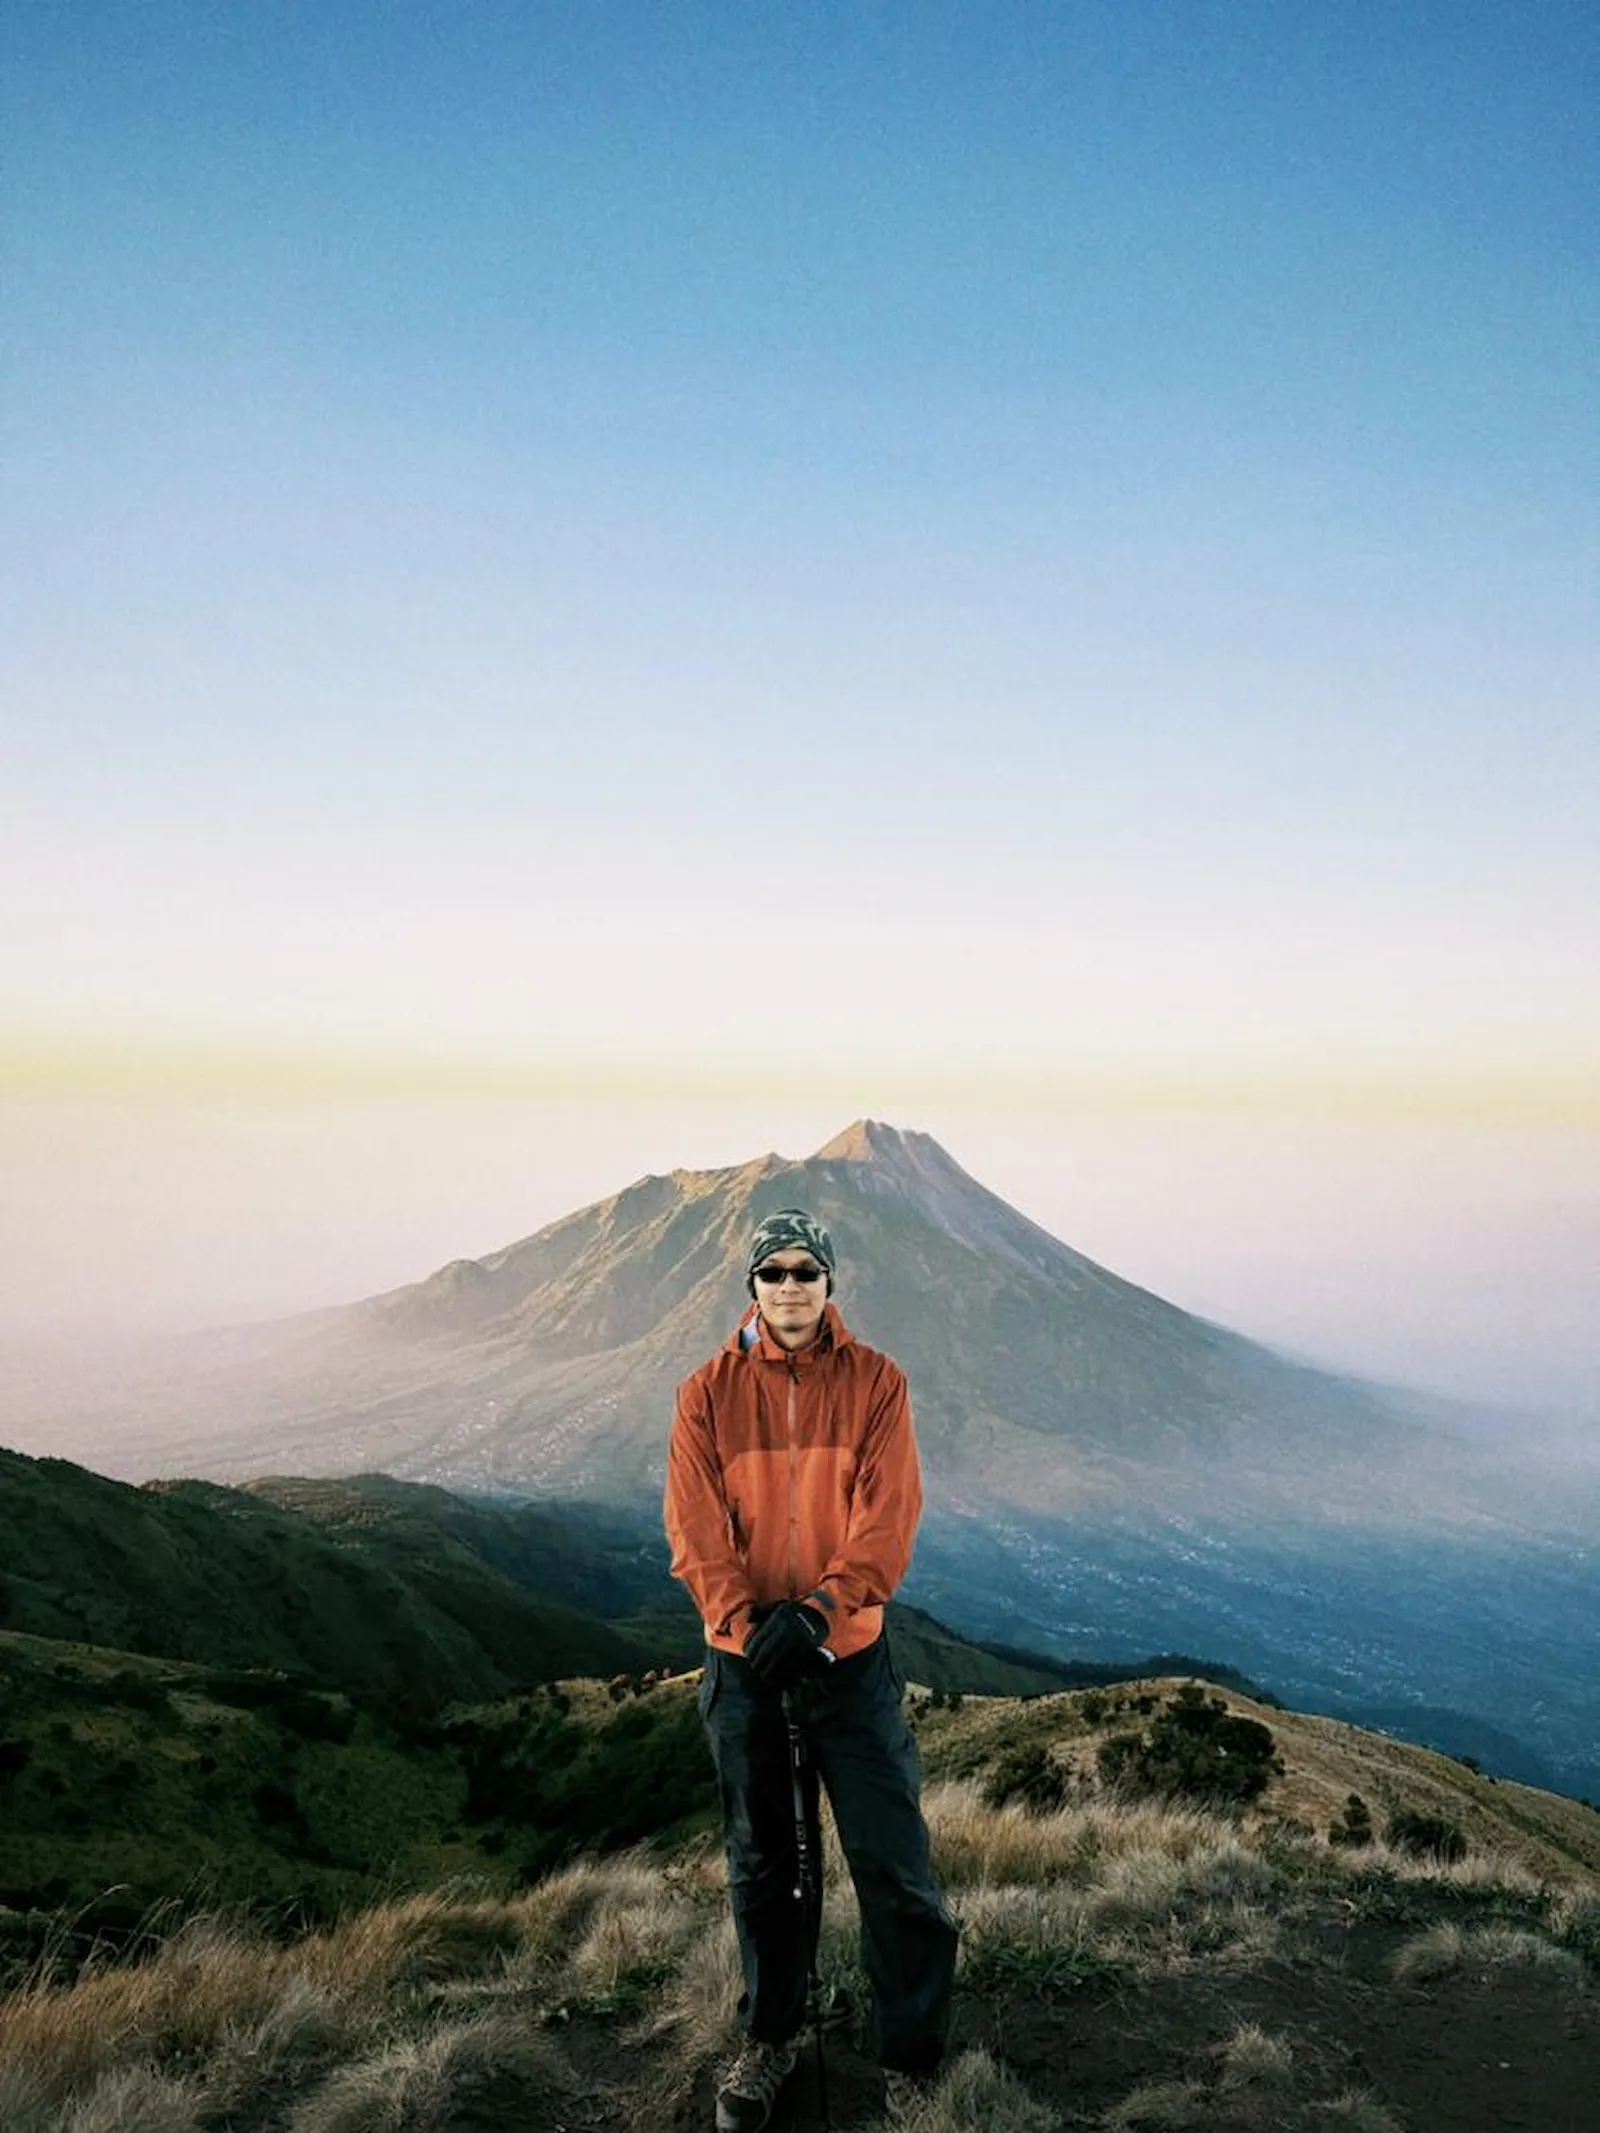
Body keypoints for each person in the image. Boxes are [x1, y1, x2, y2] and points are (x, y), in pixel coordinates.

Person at [664, 1206, 960, 2133]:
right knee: (765, 1867)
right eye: (774, 1271)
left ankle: (909, 2054)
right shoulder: (705, 1394)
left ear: (830, 1282)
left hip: (850, 1663)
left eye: (806, 1270)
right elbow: (694, 1528)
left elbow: (889, 1515)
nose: (790, 1285)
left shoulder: (877, 1383)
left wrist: (821, 1614)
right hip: (745, 1667)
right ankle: (774, 2033)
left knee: (892, 1859)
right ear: (749, 1285)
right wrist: (750, 1626)